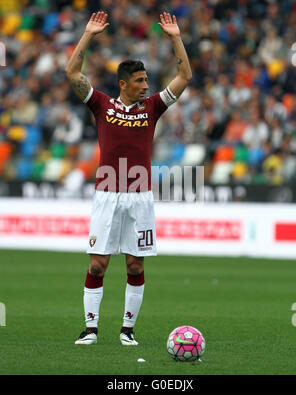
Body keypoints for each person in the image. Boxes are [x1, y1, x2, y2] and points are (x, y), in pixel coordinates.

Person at [65, 11, 192, 346]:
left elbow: (184, 75)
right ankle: (90, 329)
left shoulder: (153, 107)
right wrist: (89, 35)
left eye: (147, 80)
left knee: (135, 266)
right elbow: (72, 72)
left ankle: (127, 330)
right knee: (97, 265)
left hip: (140, 196)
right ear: (123, 83)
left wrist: (175, 37)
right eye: (140, 81)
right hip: (106, 195)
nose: (146, 85)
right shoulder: (102, 105)